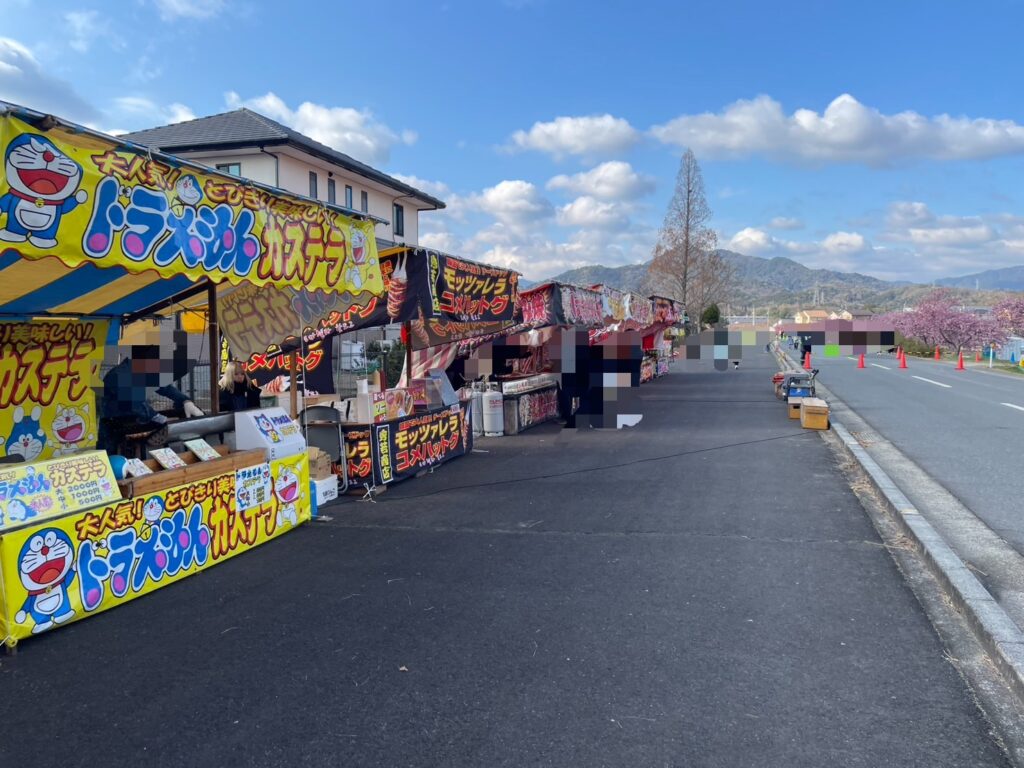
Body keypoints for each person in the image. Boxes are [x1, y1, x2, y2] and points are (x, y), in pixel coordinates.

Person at [98, 346, 204, 453]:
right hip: (114, 425)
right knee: (109, 455)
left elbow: (164, 387)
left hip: (134, 423)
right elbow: (135, 404)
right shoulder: (119, 375)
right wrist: (163, 419)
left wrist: (185, 401)